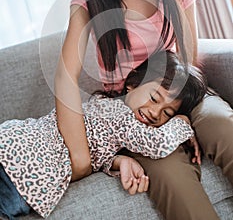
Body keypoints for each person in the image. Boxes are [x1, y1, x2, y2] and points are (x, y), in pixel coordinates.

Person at [55, 0, 233, 220]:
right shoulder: (87, 2)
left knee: (223, 126)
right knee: (170, 175)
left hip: (182, 89)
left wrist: (181, 115)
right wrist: (79, 157)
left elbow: (190, 58)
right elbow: (66, 76)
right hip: (133, 110)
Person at [0, 51, 204, 219]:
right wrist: (182, 123)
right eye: (153, 98)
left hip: (14, 147)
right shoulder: (121, 116)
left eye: (167, 113)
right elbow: (157, 144)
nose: (155, 112)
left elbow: (97, 149)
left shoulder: (106, 112)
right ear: (132, 84)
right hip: (19, 167)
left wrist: (117, 162)